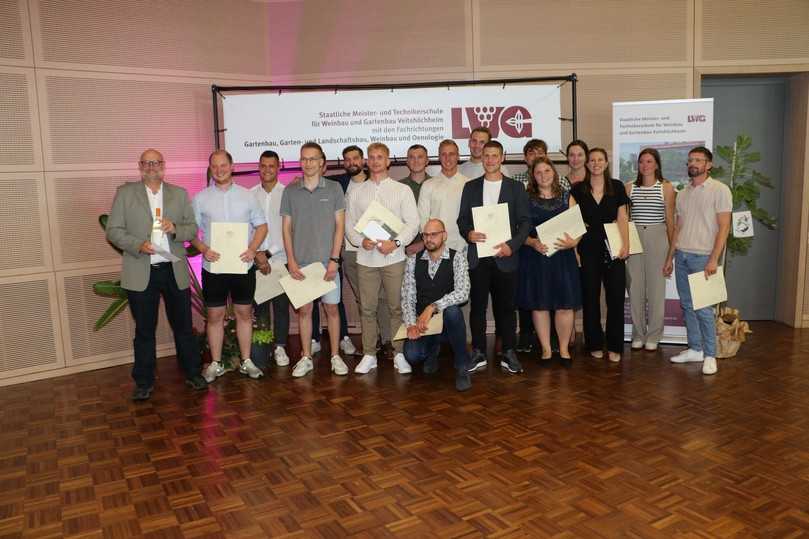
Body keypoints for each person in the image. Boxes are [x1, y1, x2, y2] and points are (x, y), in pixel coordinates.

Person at [106, 149, 206, 400]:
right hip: (142, 270)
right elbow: (113, 231)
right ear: (140, 166)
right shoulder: (125, 194)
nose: (152, 167)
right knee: (144, 330)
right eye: (147, 163)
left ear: (164, 165)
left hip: (174, 270)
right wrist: (137, 244)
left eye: (157, 162)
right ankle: (143, 381)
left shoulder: (179, 194)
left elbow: (192, 228)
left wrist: (175, 229)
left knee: (183, 326)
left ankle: (193, 373)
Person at [192, 150, 268, 383]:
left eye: (223, 165)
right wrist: (204, 249)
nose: (219, 170)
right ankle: (216, 363)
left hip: (242, 266)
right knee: (214, 315)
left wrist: (253, 249)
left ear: (232, 166)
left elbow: (262, 226)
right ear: (210, 169)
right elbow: (191, 233)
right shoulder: (200, 198)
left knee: (244, 313)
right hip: (213, 267)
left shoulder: (248, 196)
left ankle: (246, 361)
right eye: (214, 166)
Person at [345, 142, 420, 374]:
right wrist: (361, 241)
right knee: (367, 309)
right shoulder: (356, 191)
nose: (376, 161)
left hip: (394, 258)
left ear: (388, 161)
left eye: (380, 157)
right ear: (367, 161)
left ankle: (399, 354)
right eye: (372, 157)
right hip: (366, 259)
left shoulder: (401, 190)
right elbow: (350, 226)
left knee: (396, 307)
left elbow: (413, 222)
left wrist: (396, 242)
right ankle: (369, 354)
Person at [458, 140, 531, 374]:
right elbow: (462, 221)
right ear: (482, 158)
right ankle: (478, 352)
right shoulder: (470, 187)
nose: (490, 160)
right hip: (478, 257)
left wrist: (512, 246)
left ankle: (509, 352)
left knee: (507, 308)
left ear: (502, 158)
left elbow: (525, 222)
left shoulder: (516, 188)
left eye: (494, 156)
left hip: (505, 256)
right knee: (477, 308)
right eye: (486, 156)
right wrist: (468, 233)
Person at [280, 142, 347, 377]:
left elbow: (340, 226)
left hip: (328, 264)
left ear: (322, 163)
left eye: (313, 159)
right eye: (304, 159)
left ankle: (336, 356)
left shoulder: (334, 189)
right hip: (301, 265)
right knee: (305, 311)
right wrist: (291, 261)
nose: (308, 163)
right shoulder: (290, 191)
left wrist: (334, 259)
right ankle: (306, 356)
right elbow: (286, 229)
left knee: (332, 310)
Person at [664, 146, 731, 375]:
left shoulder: (720, 190)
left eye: (699, 160)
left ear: (708, 165)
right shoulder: (683, 193)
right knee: (687, 305)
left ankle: (710, 355)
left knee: (703, 308)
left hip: (704, 258)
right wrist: (670, 257)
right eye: (691, 159)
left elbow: (724, 228)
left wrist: (714, 259)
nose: (693, 163)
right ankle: (695, 349)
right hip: (682, 255)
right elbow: (679, 228)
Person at [516, 157, 581, 367]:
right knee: (540, 305)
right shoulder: (525, 198)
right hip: (536, 257)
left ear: (553, 172)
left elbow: (578, 228)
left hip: (563, 258)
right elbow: (517, 232)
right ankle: (545, 349)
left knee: (564, 305)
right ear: (532, 176)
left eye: (547, 171)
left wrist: (574, 242)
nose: (543, 175)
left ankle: (563, 349)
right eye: (538, 172)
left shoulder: (566, 196)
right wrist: (532, 242)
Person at [570, 148, 630, 363]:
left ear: (606, 163)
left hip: (613, 246)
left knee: (615, 298)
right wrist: (575, 252)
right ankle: (594, 343)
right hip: (587, 248)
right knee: (590, 297)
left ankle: (614, 345)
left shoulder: (617, 187)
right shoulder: (577, 189)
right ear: (587, 164)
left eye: (600, 160)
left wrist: (626, 245)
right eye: (592, 160)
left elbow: (622, 218)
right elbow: (573, 222)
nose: (596, 163)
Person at [329, 145, 391, 353]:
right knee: (362, 299)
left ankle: (387, 339)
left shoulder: (375, 183)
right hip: (350, 251)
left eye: (355, 158)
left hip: (375, 249)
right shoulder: (338, 184)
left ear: (363, 160)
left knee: (381, 297)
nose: (351, 162)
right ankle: (370, 343)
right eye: (347, 159)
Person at [401, 219, 472, 391]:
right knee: (412, 355)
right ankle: (433, 350)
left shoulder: (457, 258)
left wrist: (432, 307)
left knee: (453, 312)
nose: (429, 239)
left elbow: (463, 292)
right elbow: (407, 296)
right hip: (424, 325)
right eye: (425, 235)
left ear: (444, 235)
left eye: (434, 234)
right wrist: (411, 324)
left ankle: (462, 366)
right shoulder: (413, 260)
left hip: (448, 323)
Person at [624, 148, 675, 351]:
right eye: (641, 162)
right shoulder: (629, 188)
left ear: (657, 164)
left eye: (649, 161)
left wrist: (671, 253)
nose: (645, 165)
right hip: (635, 237)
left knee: (655, 289)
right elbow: (624, 220)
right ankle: (638, 333)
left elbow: (671, 222)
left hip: (658, 237)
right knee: (635, 287)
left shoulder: (666, 187)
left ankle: (654, 335)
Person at [251, 150, 291, 368]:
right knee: (261, 308)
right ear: (259, 167)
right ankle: (263, 346)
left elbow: (289, 231)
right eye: (263, 166)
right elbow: (248, 229)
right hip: (255, 261)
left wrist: (267, 254)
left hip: (281, 259)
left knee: (281, 307)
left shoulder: (287, 194)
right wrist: (257, 254)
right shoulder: (250, 195)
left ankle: (280, 347)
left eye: (271, 166)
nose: (267, 170)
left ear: (278, 168)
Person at [510, 138, 548, 353]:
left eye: (539, 153)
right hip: (523, 242)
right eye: (531, 154)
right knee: (525, 290)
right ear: (525, 158)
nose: (535, 157)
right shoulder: (515, 181)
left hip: (549, 243)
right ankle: (525, 335)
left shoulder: (557, 181)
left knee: (546, 290)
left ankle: (547, 337)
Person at [400, 144, 431, 256]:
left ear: (427, 161)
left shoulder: (436, 185)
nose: (416, 161)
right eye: (412, 157)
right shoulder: (398, 187)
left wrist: (424, 243)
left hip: (431, 246)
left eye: (420, 157)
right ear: (407, 161)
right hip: (403, 247)